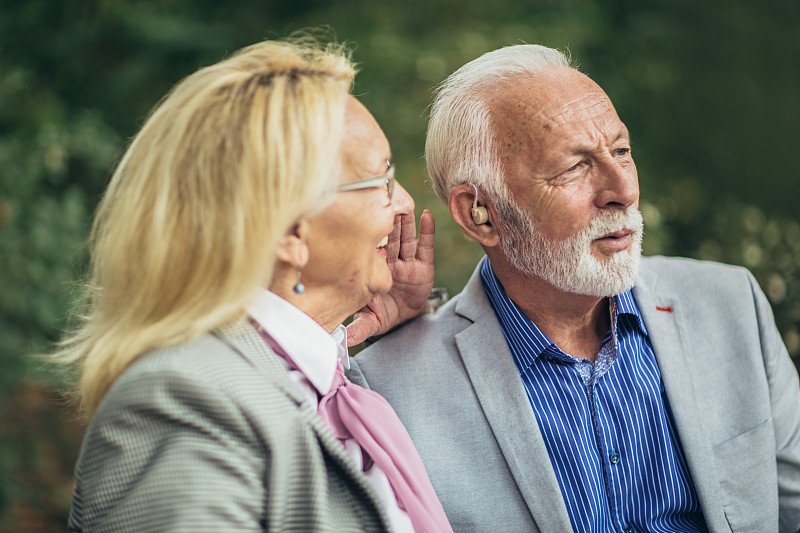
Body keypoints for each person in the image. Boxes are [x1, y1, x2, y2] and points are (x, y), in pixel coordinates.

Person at [348, 44, 800, 533]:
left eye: (621, 151)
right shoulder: (388, 390)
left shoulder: (732, 305)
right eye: (574, 167)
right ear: (480, 213)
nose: (622, 190)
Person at [56, 38, 452, 532]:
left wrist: (392, 328)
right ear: (290, 230)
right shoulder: (184, 400)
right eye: (382, 179)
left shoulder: (313, 379)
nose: (405, 203)